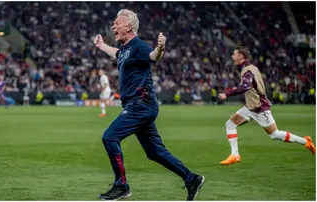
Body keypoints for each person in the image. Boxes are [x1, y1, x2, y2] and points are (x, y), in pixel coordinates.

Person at [93, 9, 204, 201]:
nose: (113, 26)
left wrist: (160, 48)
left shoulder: (138, 46)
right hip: (141, 106)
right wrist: (102, 45)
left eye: (116, 23)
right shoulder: (125, 50)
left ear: (128, 26)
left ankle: (122, 186)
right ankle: (191, 178)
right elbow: (116, 54)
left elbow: (153, 56)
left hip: (140, 104)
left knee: (110, 137)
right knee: (155, 152)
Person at [218, 46, 315, 166]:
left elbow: (245, 87)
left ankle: (305, 141)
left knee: (274, 134)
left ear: (241, 56)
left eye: (234, 54)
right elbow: (250, 86)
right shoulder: (250, 68)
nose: (232, 57)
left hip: (259, 108)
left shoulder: (247, 70)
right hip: (250, 107)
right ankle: (235, 155)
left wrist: (227, 94)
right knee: (230, 124)